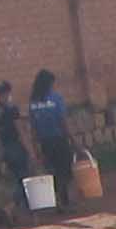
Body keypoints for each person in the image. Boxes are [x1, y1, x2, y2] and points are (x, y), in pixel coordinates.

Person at [26, 68, 81, 210]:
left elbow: (32, 127)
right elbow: (63, 122)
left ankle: (59, 200)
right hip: (58, 139)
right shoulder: (55, 98)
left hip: (44, 142)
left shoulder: (33, 102)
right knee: (65, 170)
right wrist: (74, 141)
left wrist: (35, 147)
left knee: (53, 170)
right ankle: (64, 200)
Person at [0, 80, 37, 216]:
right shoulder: (11, 109)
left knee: (15, 179)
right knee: (24, 179)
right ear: (6, 93)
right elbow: (21, 132)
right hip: (16, 148)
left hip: (4, 150)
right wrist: (31, 151)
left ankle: (23, 210)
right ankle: (11, 207)